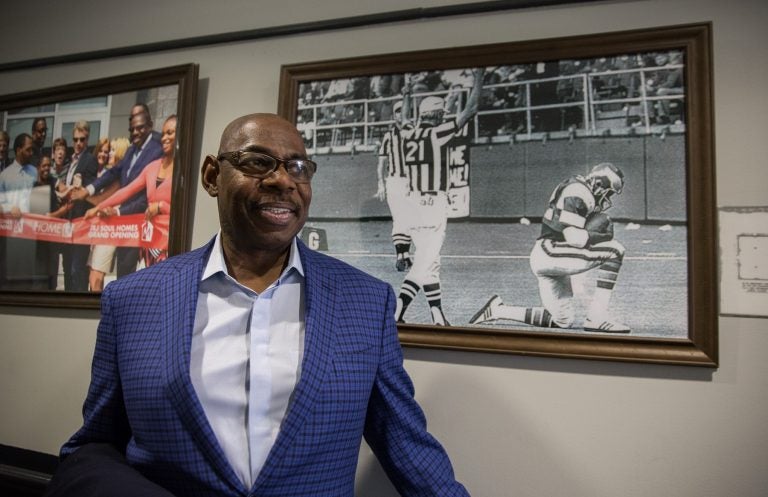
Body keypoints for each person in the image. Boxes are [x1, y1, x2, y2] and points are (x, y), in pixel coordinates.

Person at [45, 113, 470, 497]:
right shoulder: (133, 300)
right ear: (213, 175)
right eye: (257, 162)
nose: (282, 180)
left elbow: (406, 446)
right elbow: (95, 444)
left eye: (298, 168)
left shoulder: (365, 302)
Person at [470, 162, 630, 333]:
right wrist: (601, 236)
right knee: (615, 250)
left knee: (562, 321)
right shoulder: (580, 192)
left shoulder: (577, 185)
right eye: (609, 192)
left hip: (548, 253)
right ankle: (597, 317)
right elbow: (574, 238)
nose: (608, 197)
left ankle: (497, 310)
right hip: (551, 251)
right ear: (599, 183)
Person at [394, 67, 484, 326]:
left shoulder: (407, 133)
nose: (444, 116)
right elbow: (471, 111)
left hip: (411, 203)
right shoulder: (436, 133)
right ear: (435, 116)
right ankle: (397, 312)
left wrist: (408, 92)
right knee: (424, 262)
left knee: (430, 261)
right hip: (432, 204)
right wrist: (479, 78)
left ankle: (437, 315)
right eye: (441, 113)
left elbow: (405, 118)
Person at [71, 108, 163, 278]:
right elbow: (115, 175)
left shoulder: (158, 150)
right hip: (120, 221)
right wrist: (89, 190)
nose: (135, 132)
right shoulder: (131, 150)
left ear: (150, 125)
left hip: (139, 221)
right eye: (132, 129)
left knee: (130, 272)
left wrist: (117, 210)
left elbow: (146, 196)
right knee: (120, 270)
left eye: (140, 128)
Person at [85, 115, 177, 270]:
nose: (165, 138)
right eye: (163, 134)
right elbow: (126, 191)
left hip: (171, 246)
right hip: (149, 245)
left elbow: (186, 212)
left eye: (170, 133)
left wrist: (161, 207)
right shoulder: (152, 167)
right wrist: (98, 207)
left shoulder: (183, 169)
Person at [54, 121, 99, 291]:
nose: (79, 143)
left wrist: (79, 190)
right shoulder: (70, 160)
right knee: (66, 268)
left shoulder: (90, 160)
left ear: (87, 139)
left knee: (76, 270)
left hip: (81, 222)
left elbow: (90, 191)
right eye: (76, 139)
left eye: (82, 139)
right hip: (67, 221)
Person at [374, 99, 414, 271]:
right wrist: (381, 183)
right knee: (400, 218)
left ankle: (405, 255)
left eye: (401, 111)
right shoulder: (388, 136)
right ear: (393, 115)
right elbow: (381, 163)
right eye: (397, 111)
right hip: (395, 180)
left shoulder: (414, 132)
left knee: (410, 219)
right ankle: (401, 256)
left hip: (412, 182)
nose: (400, 114)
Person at [85, 137, 130, 291]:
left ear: (120, 154)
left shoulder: (119, 180)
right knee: (94, 275)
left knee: (95, 278)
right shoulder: (111, 176)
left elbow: (100, 200)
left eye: (112, 150)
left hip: (109, 231)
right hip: (101, 230)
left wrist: (81, 194)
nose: (109, 153)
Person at [0, 134, 38, 289]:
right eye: (28, 150)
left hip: (31, 236)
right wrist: (10, 208)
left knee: (27, 281)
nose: (31, 153)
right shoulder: (4, 176)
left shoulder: (35, 172)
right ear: (18, 150)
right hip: (10, 237)